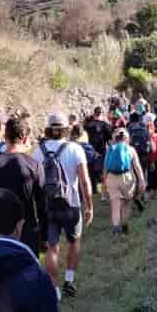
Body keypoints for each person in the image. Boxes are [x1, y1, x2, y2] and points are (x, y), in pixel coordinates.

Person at [37, 113, 93, 299]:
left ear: (48, 128)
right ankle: (69, 280)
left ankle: (55, 290)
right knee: (74, 241)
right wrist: (89, 206)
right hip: (72, 204)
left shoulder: (39, 151)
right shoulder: (75, 149)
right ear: (65, 129)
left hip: (49, 206)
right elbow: (85, 181)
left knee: (52, 248)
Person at [0, 116, 47, 260]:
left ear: (5, 138)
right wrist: (44, 236)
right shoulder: (34, 166)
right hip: (26, 231)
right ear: (24, 139)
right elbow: (42, 205)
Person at [102, 128, 141, 234]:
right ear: (127, 138)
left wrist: (104, 184)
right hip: (127, 178)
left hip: (111, 178)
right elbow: (137, 166)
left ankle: (115, 227)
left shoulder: (109, 149)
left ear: (114, 138)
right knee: (126, 203)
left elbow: (105, 168)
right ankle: (124, 224)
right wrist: (141, 180)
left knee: (115, 203)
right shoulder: (131, 149)